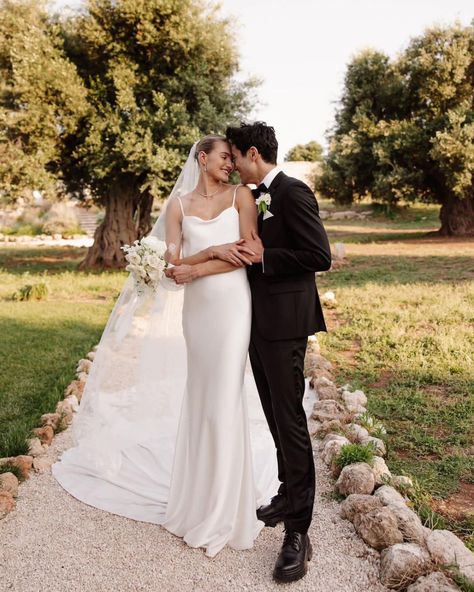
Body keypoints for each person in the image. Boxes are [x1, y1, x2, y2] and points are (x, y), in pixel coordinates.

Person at [52, 135, 280, 558]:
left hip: (232, 306)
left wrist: (199, 269)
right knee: (201, 394)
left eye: (233, 158)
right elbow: (173, 263)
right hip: (199, 312)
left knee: (224, 397)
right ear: (203, 157)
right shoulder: (177, 205)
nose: (231, 164)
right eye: (225, 157)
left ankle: (225, 505)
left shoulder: (242, 197)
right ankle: (196, 500)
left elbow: (252, 251)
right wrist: (209, 252)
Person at [226, 122, 331, 583]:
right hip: (259, 324)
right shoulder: (256, 195)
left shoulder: (291, 191)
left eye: (235, 156)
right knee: (274, 416)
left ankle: (298, 533)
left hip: (287, 326)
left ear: (253, 153)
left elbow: (319, 255)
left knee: (289, 421)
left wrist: (263, 257)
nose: (231, 165)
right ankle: (290, 495)